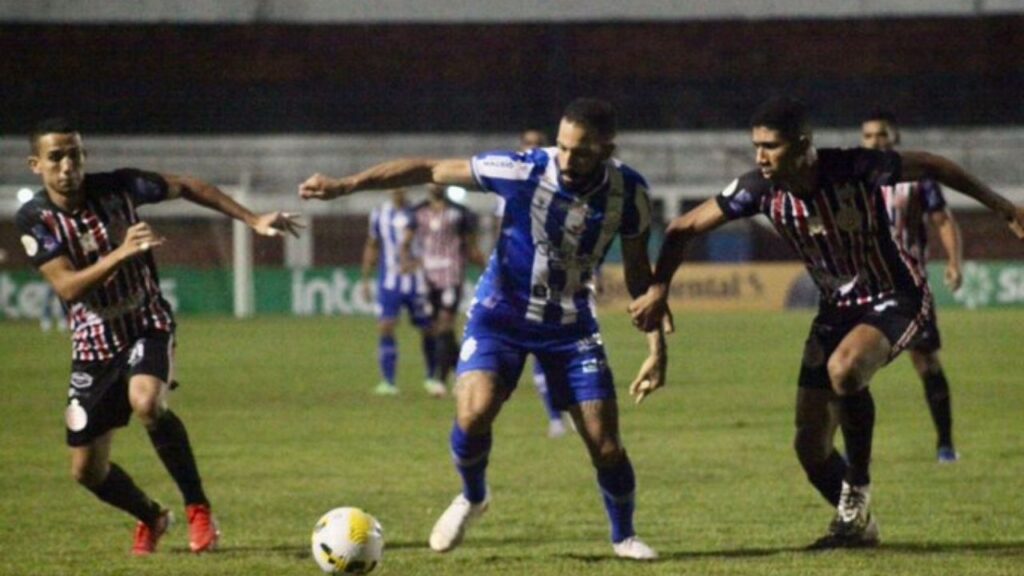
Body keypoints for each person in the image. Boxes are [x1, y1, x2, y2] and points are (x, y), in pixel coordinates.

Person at [629, 97, 1024, 549]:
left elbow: (934, 165)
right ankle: (857, 527)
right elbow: (681, 228)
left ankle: (858, 487)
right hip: (836, 309)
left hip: (895, 296)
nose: (760, 156)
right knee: (809, 447)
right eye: (756, 146)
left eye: (771, 146)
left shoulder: (855, 167)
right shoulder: (759, 189)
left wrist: (1003, 208)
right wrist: (659, 290)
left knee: (846, 368)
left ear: (803, 145)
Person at [300, 98, 668, 560]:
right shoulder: (522, 170)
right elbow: (430, 169)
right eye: (562, 147)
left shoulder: (629, 193)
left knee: (606, 445)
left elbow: (639, 274)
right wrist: (345, 185)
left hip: (571, 327)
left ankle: (624, 537)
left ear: (607, 150)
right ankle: (473, 496)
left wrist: (656, 347)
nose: (567, 159)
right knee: (474, 413)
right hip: (501, 315)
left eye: (581, 152)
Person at [15, 118, 302, 555]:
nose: (68, 165)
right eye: (56, 157)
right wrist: (123, 252)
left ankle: (198, 508)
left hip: (144, 320)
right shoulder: (34, 219)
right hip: (92, 345)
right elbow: (68, 287)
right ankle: (152, 516)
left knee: (147, 401)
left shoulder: (120, 187)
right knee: (86, 472)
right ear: (36, 164)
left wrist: (252, 218)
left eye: (75, 154)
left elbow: (188, 186)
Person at [861, 110, 962, 462]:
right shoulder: (853, 179)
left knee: (926, 361)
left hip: (910, 285)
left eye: (882, 134)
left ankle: (945, 444)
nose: (875, 141)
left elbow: (942, 220)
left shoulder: (918, 178)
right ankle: (853, 453)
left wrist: (954, 261)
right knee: (849, 366)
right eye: (869, 136)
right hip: (865, 285)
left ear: (895, 137)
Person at [496, 129, 572, 438]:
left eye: (537, 144)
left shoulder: (562, 186)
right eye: (527, 144)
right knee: (537, 350)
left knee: (559, 351)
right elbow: (502, 235)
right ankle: (556, 418)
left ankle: (565, 412)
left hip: (560, 280)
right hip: (519, 283)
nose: (532, 149)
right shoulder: (510, 189)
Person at [400, 183, 485, 394]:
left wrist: (485, 268)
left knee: (446, 323)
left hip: (451, 275)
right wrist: (406, 262)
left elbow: (471, 246)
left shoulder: (460, 213)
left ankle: (439, 379)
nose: (435, 185)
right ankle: (462, 370)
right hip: (427, 277)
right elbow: (405, 242)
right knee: (435, 328)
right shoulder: (417, 212)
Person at [362, 188, 441, 396]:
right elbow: (372, 245)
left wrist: (421, 263)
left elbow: (432, 243)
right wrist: (365, 280)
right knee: (386, 325)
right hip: (389, 281)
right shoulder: (379, 214)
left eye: (401, 185)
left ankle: (431, 378)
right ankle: (388, 382)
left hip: (418, 281)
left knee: (429, 328)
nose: (397, 189)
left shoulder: (419, 212)